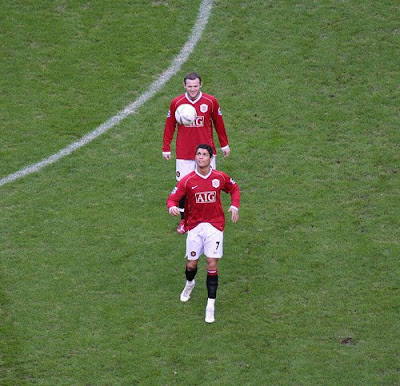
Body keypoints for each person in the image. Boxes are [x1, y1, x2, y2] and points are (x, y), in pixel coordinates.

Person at [166, 144, 240, 323]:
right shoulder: (188, 180)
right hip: (195, 227)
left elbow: (234, 188)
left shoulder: (219, 177)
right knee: (191, 265)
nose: (200, 157)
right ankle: (190, 283)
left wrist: (234, 205)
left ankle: (210, 305)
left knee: (211, 263)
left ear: (210, 158)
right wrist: (172, 208)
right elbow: (172, 198)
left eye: (204, 154)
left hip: (214, 227)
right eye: (198, 154)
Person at [163, 72, 231, 234]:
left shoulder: (211, 101)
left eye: (195, 86)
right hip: (184, 153)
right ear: (184, 85)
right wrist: (166, 147)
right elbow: (169, 125)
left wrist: (224, 145)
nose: (192, 89)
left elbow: (218, 123)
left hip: (206, 152)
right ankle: (184, 221)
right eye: (189, 86)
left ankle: (208, 219)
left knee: (208, 185)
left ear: (201, 85)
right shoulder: (177, 103)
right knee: (184, 188)